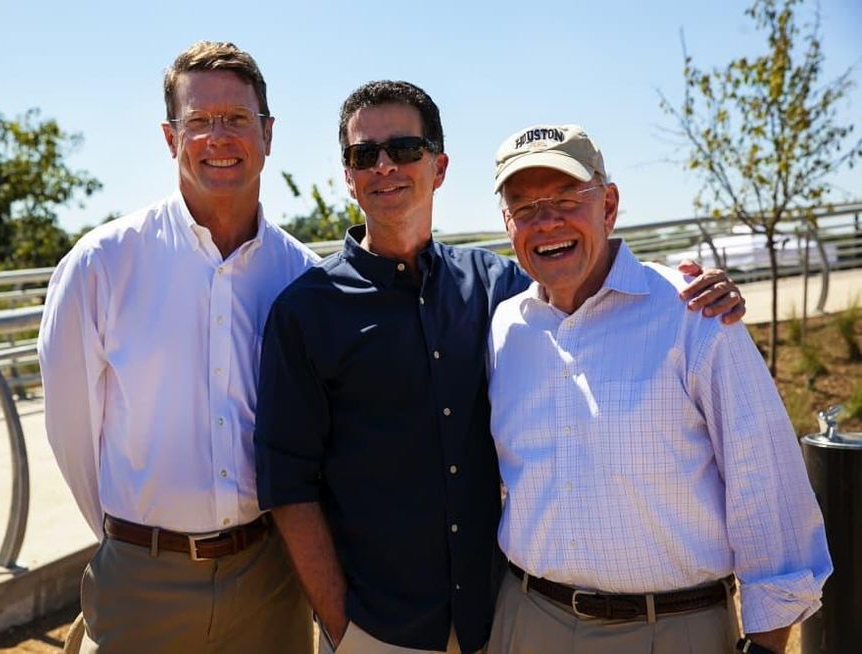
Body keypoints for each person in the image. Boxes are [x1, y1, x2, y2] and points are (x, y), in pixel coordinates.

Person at [253, 81, 746, 654]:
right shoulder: (305, 310)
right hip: (377, 628)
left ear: (438, 166)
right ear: (348, 175)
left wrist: (685, 286)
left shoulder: (500, 290)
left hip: (501, 620)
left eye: (405, 149)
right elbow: (288, 482)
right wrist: (341, 626)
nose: (384, 165)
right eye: (365, 154)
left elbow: (584, 277)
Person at [485, 123, 832, 654]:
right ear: (508, 224)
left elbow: (767, 490)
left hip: (671, 629)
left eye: (565, 197)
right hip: (527, 621)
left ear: (609, 204)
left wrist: (766, 643)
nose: (547, 220)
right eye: (524, 207)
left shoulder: (694, 313)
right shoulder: (506, 328)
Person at [37, 41, 316, 653]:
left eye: (238, 119)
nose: (220, 136)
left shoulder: (304, 276)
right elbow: (70, 432)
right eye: (199, 121)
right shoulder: (102, 265)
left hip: (272, 581)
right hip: (142, 585)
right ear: (170, 138)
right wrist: (139, 546)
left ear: (268, 134)